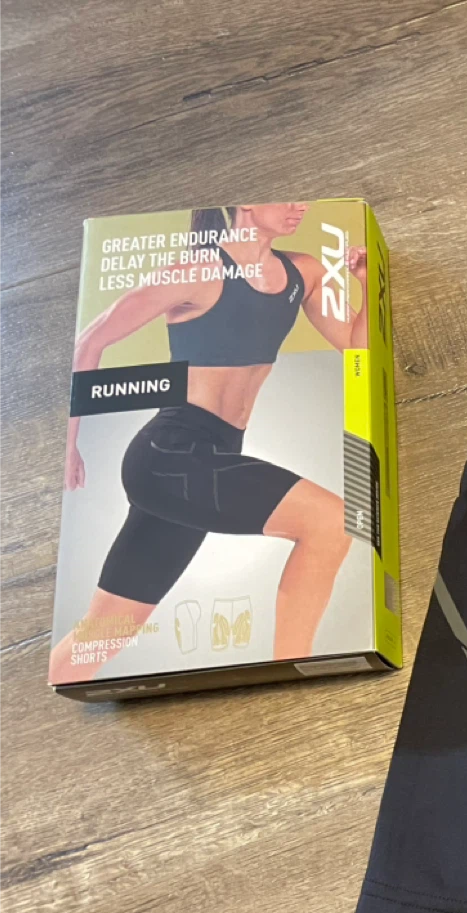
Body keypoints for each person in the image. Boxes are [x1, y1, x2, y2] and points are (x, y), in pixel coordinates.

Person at [50, 203, 366, 683]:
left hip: (209, 460)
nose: (298, 206)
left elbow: (358, 349)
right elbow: (90, 341)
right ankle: (291, 672)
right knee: (330, 521)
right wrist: (70, 445)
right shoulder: (196, 271)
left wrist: (366, 285)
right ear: (244, 203)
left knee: (101, 636)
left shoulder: (304, 272)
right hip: (169, 455)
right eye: (283, 198)